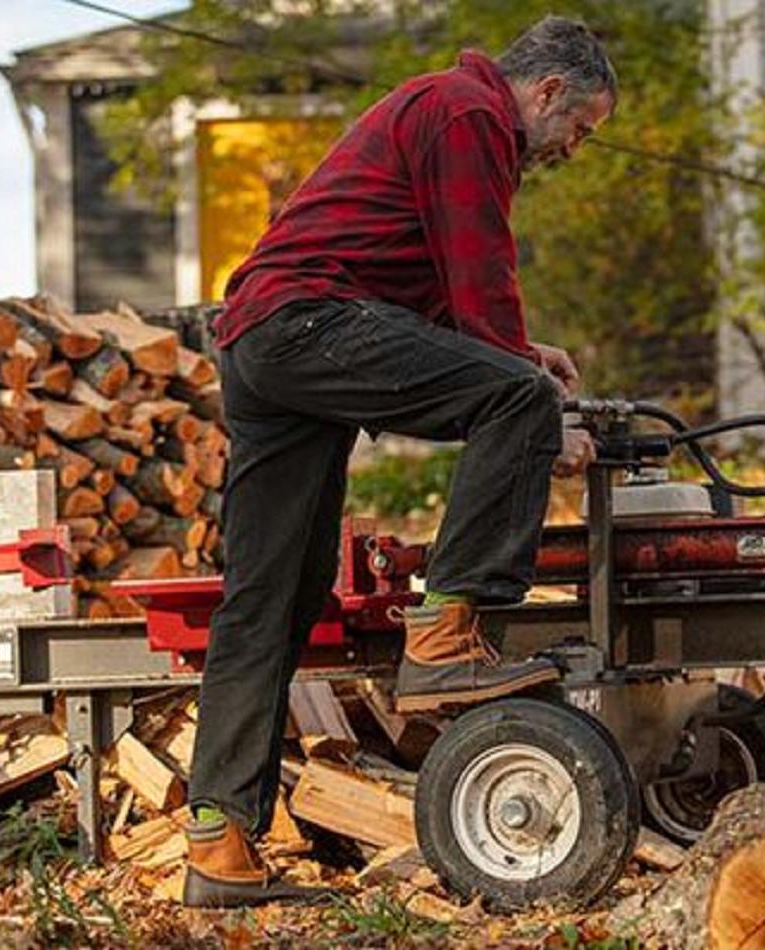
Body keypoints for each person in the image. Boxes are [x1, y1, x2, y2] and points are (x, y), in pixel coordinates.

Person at [183, 15, 616, 908]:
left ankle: (216, 846)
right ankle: (445, 634)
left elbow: (446, 294)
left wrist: (526, 356)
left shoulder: (439, 109)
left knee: (273, 596)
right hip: (310, 321)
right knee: (517, 404)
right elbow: (482, 273)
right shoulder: (469, 115)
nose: (571, 148)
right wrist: (535, 403)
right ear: (544, 93)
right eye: (578, 129)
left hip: (267, 338)